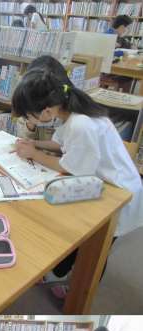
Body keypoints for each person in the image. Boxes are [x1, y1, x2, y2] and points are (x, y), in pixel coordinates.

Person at [11, 70, 143, 294]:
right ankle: (59, 272)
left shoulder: (80, 124)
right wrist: (35, 145)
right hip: (102, 181)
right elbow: (63, 145)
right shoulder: (71, 112)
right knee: (80, 233)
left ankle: (80, 291)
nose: (28, 121)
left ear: (47, 111)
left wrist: (33, 153)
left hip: (119, 192)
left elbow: (70, 167)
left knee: (97, 248)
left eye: (29, 116)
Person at [16, 55, 70, 142]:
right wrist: (31, 123)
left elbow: (65, 147)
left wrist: (35, 150)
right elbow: (23, 138)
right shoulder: (29, 102)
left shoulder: (68, 114)